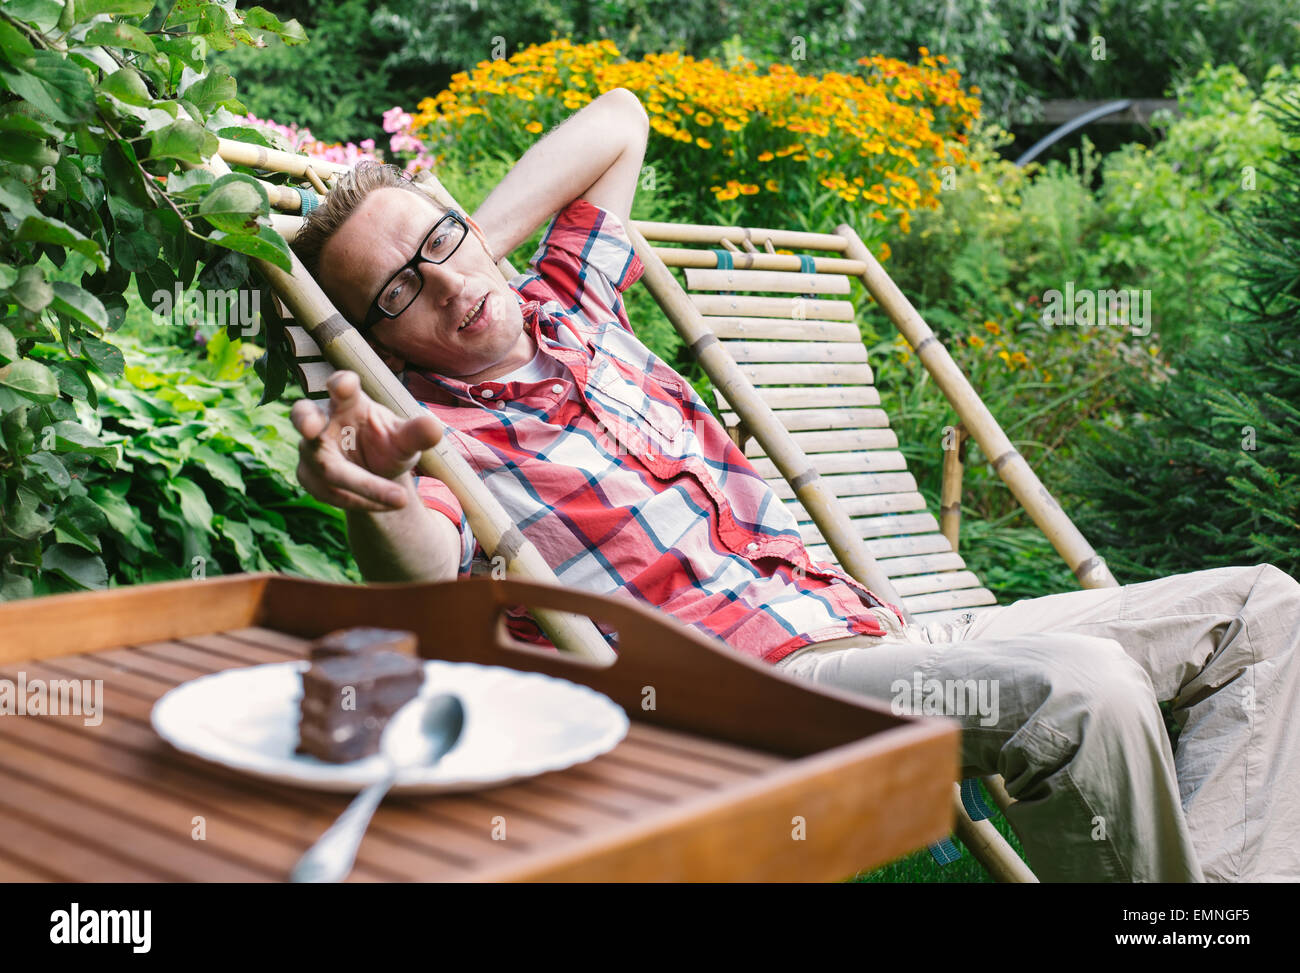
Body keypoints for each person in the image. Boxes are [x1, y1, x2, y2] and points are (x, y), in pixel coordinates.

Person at [288, 88, 1300, 882]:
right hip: (758, 691)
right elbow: (418, 562)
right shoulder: (442, 441)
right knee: (1085, 692)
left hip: (889, 636)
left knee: (1262, 608)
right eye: (399, 293)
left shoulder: (573, 306)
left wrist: (471, 258)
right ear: (379, 343)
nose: (448, 288)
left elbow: (619, 118)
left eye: (440, 241)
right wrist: (379, 498)